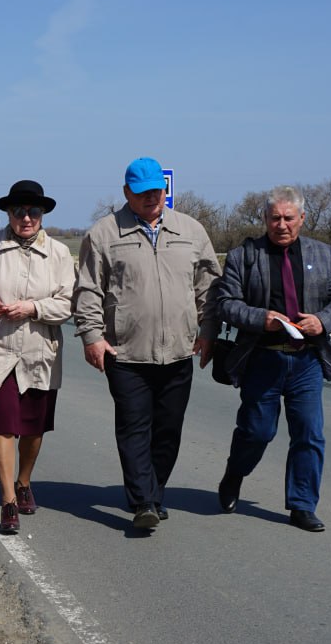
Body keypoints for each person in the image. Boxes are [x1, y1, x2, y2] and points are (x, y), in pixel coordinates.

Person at [73, 157, 222, 531]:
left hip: (178, 351)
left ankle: (153, 492)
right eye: (142, 192)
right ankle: (144, 501)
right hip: (126, 353)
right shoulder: (105, 233)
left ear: (165, 189)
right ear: (127, 193)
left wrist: (208, 331)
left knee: (169, 429)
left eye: (157, 190)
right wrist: (92, 336)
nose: (151, 197)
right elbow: (88, 290)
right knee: (134, 427)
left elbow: (209, 286)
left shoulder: (190, 230)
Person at [213, 185, 331, 532]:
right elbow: (226, 303)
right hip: (263, 359)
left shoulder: (323, 254)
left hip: (306, 361)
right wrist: (262, 318)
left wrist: (323, 321)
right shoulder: (244, 256)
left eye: (289, 217)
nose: (282, 224)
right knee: (256, 432)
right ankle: (234, 474)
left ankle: (302, 505)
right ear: (265, 219)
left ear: (302, 218)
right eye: (275, 218)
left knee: (309, 434)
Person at [0, 180, 74, 534]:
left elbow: (68, 303)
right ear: (8, 213)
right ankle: (8, 500)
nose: (26, 218)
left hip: (41, 352)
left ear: (42, 214)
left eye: (33, 211)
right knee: (4, 421)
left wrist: (33, 308)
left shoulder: (59, 253)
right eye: (19, 211)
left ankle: (24, 482)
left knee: (34, 428)